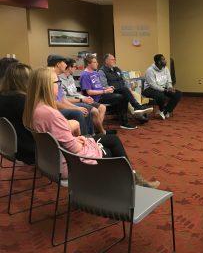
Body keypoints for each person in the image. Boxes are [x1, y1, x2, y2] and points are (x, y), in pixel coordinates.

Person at [22, 67, 159, 188]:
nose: (58, 85)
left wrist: (77, 138)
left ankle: (131, 178)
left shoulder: (34, 109)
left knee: (111, 139)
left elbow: (57, 138)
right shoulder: (51, 114)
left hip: (50, 161)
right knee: (110, 152)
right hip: (68, 165)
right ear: (46, 86)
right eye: (56, 82)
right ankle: (127, 183)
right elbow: (74, 148)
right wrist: (79, 140)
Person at [80, 54, 147, 130]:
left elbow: (98, 86)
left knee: (124, 91)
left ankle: (130, 115)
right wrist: (104, 91)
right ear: (89, 63)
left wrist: (107, 88)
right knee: (121, 97)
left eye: (96, 62)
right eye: (95, 62)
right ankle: (125, 121)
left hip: (102, 94)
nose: (97, 64)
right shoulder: (85, 75)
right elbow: (89, 92)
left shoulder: (95, 73)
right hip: (95, 98)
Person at [59, 58, 109, 135]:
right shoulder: (60, 80)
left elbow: (75, 93)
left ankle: (97, 131)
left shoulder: (70, 77)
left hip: (80, 98)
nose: (76, 68)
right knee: (95, 111)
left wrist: (84, 98)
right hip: (74, 101)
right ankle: (99, 132)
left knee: (102, 108)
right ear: (69, 67)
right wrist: (82, 100)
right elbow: (64, 99)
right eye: (75, 66)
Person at [47, 54, 93, 136]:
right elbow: (55, 103)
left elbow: (62, 99)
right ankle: (84, 138)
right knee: (78, 113)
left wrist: (77, 107)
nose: (66, 65)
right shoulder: (49, 77)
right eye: (64, 63)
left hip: (57, 107)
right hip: (52, 111)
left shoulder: (56, 77)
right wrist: (76, 109)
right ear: (58, 64)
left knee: (83, 108)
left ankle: (90, 135)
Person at [98, 53, 152, 123]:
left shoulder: (117, 69)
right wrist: (115, 88)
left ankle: (138, 111)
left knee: (135, 94)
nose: (114, 61)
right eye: (112, 59)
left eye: (114, 59)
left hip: (123, 90)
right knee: (125, 92)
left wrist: (129, 88)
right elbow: (104, 85)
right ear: (106, 61)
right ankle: (138, 112)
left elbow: (124, 80)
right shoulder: (101, 71)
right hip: (112, 91)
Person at [0, 62, 35, 164]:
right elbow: (39, 128)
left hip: (8, 147)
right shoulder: (23, 101)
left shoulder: (2, 97)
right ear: (26, 81)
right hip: (30, 150)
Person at [142, 54, 182, 120]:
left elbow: (169, 81)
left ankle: (165, 111)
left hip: (162, 88)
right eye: (163, 59)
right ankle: (162, 110)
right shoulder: (150, 70)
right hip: (149, 89)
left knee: (178, 94)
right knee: (161, 96)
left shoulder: (166, 69)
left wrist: (170, 87)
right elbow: (153, 85)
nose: (165, 61)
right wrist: (165, 90)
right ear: (159, 62)